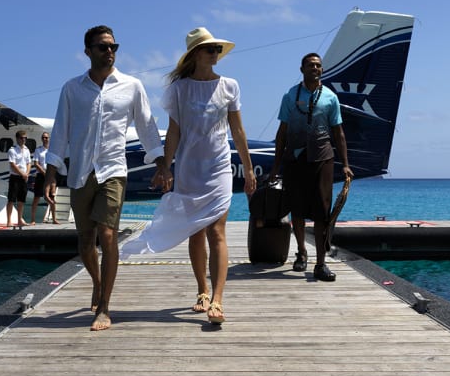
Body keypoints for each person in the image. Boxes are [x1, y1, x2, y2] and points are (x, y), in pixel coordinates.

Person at [122, 28, 256, 325]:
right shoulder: (179, 89)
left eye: (217, 49)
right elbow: (174, 131)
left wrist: (247, 168)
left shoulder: (230, 85)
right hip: (188, 167)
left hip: (219, 167)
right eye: (210, 49)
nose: (215, 53)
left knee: (217, 231)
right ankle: (202, 290)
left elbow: (238, 131)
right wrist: (165, 166)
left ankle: (218, 300)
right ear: (195, 54)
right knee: (196, 231)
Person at [45, 25, 165, 331]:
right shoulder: (72, 88)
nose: (109, 51)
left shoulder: (132, 86)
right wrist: (50, 173)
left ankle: (104, 307)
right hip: (80, 172)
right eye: (102, 47)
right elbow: (60, 131)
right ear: (88, 51)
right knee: (86, 241)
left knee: (108, 235)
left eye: (113, 46)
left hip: (113, 170)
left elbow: (147, 126)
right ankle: (97, 284)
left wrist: (161, 163)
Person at [269, 52, 353, 282]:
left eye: (318, 65)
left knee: (322, 212)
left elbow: (338, 132)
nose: (315, 68)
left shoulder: (330, 97)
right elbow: (282, 132)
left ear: (322, 70)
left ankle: (321, 263)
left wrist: (345, 164)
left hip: (322, 159)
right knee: (296, 209)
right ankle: (301, 252)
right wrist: (275, 167)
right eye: (310, 65)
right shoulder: (290, 96)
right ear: (302, 69)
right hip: (295, 159)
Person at [28, 131, 56, 224]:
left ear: (49, 139)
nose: (45, 139)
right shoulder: (38, 150)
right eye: (43, 137)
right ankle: (32, 219)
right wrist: (44, 173)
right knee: (36, 197)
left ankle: (54, 219)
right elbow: (36, 163)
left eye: (46, 137)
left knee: (52, 197)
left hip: (50, 175)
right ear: (41, 139)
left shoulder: (52, 150)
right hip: (40, 175)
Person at [5, 130, 31, 227]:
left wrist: (26, 174)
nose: (24, 140)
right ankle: (9, 221)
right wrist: (22, 174)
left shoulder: (27, 150)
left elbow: (29, 163)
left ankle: (20, 220)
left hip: (24, 177)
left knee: (21, 200)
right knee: (11, 199)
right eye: (22, 138)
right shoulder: (12, 150)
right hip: (15, 177)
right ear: (17, 138)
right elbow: (13, 165)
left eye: (25, 138)